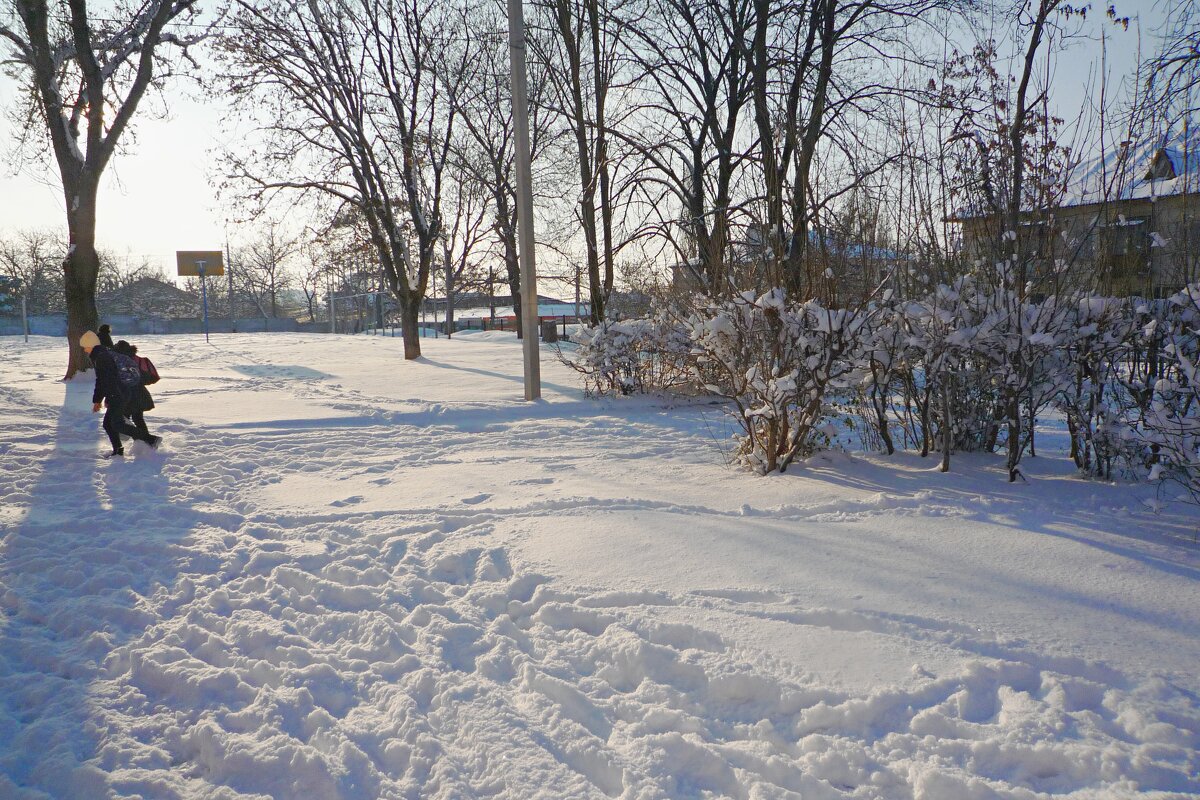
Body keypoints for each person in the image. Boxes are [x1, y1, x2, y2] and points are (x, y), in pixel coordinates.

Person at [80, 330, 161, 457]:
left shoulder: (102, 357)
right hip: (120, 393)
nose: (85, 350)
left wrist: (106, 398)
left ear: (91, 345)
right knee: (109, 424)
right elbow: (102, 380)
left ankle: (151, 439)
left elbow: (104, 380)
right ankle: (118, 450)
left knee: (117, 424)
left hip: (118, 395)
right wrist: (98, 400)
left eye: (85, 347)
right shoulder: (104, 354)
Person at [114, 339, 157, 440]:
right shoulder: (137, 360)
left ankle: (145, 439)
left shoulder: (121, 362)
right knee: (138, 418)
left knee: (122, 419)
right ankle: (145, 441)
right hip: (141, 393)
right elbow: (146, 378)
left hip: (127, 395)